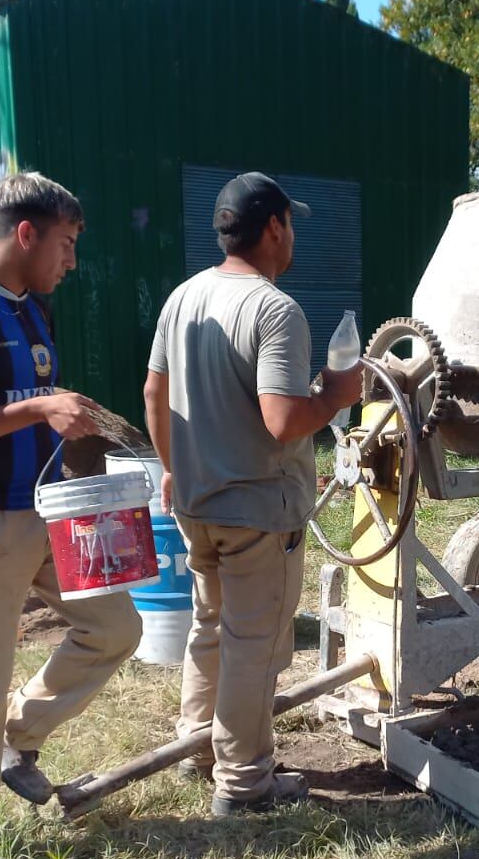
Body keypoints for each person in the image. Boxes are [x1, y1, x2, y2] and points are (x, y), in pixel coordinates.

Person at [0, 171, 141, 859]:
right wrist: (40, 408)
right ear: (26, 234)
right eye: (66, 244)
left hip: (42, 511)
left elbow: (29, 406)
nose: (71, 261)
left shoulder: (31, 307)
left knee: (114, 627)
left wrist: (78, 444)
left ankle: (15, 735)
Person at [143, 172, 361, 816]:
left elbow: (156, 396)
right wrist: (335, 396)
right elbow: (282, 420)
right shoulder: (275, 310)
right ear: (273, 227)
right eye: (290, 224)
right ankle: (242, 786)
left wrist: (172, 467)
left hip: (197, 504)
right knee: (255, 642)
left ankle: (197, 748)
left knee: (210, 626)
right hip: (258, 513)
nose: (292, 237)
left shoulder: (182, 298)